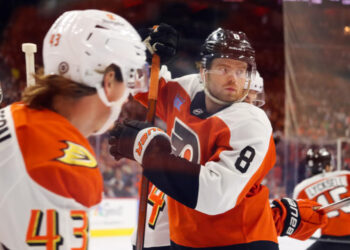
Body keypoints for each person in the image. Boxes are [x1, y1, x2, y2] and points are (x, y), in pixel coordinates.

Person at [109, 26, 327, 249]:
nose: (233, 78)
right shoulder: (188, 89)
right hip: (191, 237)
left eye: (241, 71)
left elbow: (214, 195)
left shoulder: (250, 121)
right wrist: (141, 53)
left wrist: (149, 152)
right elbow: (145, 85)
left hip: (237, 243)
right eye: (224, 69)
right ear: (204, 72)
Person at [0, 9, 146, 250]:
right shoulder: (62, 164)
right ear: (108, 82)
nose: (128, 95)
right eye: (129, 79)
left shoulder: (13, 116)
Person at [293, 147, 350, 250]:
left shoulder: (302, 189)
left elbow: (300, 222)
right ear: (328, 165)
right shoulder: (346, 175)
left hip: (330, 240)